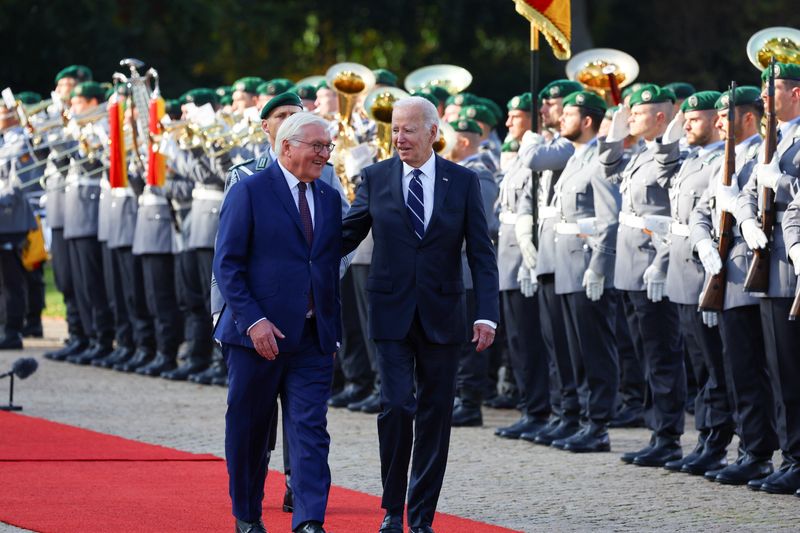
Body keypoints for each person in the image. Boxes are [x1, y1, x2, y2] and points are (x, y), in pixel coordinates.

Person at [341, 96, 499, 533]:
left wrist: (487, 314)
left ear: (433, 132)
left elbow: (482, 255)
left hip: (444, 314)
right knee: (395, 405)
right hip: (390, 311)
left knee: (435, 413)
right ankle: (393, 508)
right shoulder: (374, 177)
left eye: (408, 129)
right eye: (394, 129)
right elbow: (345, 236)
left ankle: (422, 515)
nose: (399, 138)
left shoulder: (462, 182)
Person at [214, 112, 341, 533]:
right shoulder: (249, 189)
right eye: (316, 146)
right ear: (287, 147)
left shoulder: (327, 197)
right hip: (256, 338)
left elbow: (324, 265)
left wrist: (330, 327)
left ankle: (308, 520)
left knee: (310, 431)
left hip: (311, 337)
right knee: (250, 430)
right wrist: (253, 322)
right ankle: (247, 514)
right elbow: (227, 264)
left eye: (328, 146)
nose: (325, 154)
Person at [689, 86, 777, 485]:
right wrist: (705, 242)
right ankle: (751, 449)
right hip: (727, 273)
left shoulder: (763, 153)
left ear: (746, 117)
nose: (718, 121)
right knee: (736, 367)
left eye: (725, 115)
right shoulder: (725, 160)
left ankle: (762, 450)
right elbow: (701, 212)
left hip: (755, 270)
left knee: (759, 369)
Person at [599, 85, 687, 467]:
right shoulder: (639, 156)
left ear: (661, 118)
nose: (631, 116)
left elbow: (674, 219)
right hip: (631, 269)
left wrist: (663, 262)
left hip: (655, 267)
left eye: (638, 113)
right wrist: (616, 134)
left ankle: (668, 435)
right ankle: (656, 431)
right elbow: (609, 168)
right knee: (645, 353)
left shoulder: (672, 157)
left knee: (663, 354)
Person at [654, 91, 734, 475]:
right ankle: (705, 437)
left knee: (714, 364)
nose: (688, 125)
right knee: (698, 362)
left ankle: (717, 439)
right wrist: (672, 127)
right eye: (685, 120)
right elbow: (663, 165)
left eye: (694, 120)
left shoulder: (723, 161)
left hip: (705, 271)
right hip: (682, 272)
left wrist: (713, 278)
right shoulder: (691, 160)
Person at [735, 62, 800, 495]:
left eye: (772, 87)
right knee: (779, 369)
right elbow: (741, 193)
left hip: (792, 261)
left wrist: (787, 183)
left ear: (796, 93)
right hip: (768, 261)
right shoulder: (767, 139)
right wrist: (744, 220)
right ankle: (789, 454)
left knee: (794, 368)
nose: (763, 95)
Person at [550, 91, 621, 452]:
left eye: (569, 113)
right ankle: (578, 418)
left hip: (588, 266)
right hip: (566, 265)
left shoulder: (601, 160)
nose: (561, 119)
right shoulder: (576, 159)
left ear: (588, 121)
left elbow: (610, 220)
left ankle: (599, 424)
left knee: (595, 349)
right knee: (574, 349)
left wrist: (599, 266)